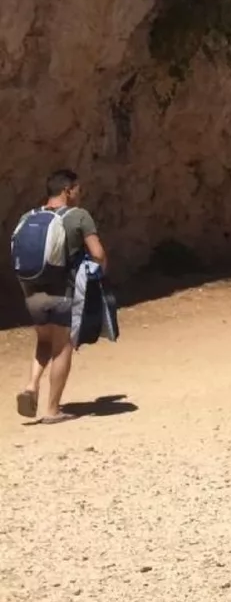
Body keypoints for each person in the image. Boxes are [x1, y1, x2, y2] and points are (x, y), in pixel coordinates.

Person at [13, 169, 107, 424]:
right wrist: (101, 271)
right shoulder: (79, 216)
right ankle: (53, 410)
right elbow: (97, 253)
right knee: (62, 346)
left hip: (32, 294)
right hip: (63, 293)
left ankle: (31, 385)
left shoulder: (28, 217)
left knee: (43, 342)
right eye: (78, 189)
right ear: (67, 190)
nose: (80, 193)